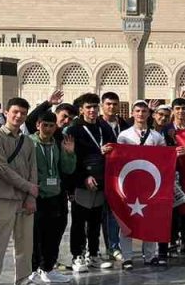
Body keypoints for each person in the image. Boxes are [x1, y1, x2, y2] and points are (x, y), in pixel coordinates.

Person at [0, 98, 40, 285]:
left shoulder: (27, 141)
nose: (18, 116)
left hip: (24, 200)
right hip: (1, 197)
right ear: (6, 112)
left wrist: (31, 195)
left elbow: (33, 169)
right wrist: (28, 186)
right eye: (15, 112)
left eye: (23, 113)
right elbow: (2, 169)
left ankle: (23, 279)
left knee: (25, 242)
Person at [114, 100, 168, 268]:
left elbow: (164, 159)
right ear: (132, 113)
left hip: (150, 184)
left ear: (148, 114)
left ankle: (150, 255)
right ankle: (127, 257)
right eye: (137, 111)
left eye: (144, 111)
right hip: (130, 183)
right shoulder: (124, 135)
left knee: (151, 219)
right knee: (126, 220)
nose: (140, 114)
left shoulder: (156, 137)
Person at [67, 94, 116, 272]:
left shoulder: (104, 127)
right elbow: (72, 158)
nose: (92, 110)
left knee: (96, 220)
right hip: (83, 182)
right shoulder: (74, 130)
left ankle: (93, 253)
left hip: (101, 181)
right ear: (81, 109)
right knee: (80, 220)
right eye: (88, 107)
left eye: (95, 107)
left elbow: (113, 148)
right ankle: (77, 255)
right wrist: (83, 177)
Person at [29, 108, 78, 282]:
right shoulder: (30, 143)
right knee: (36, 234)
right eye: (45, 125)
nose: (48, 129)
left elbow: (67, 169)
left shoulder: (57, 143)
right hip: (37, 195)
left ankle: (48, 267)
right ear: (38, 125)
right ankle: (33, 269)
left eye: (51, 126)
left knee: (55, 232)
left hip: (56, 195)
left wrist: (69, 154)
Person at [99, 91, 125, 261]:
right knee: (105, 212)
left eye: (114, 104)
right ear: (102, 105)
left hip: (121, 174)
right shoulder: (97, 125)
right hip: (103, 173)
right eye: (108, 104)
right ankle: (108, 246)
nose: (111, 107)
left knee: (117, 211)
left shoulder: (123, 124)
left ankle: (115, 245)